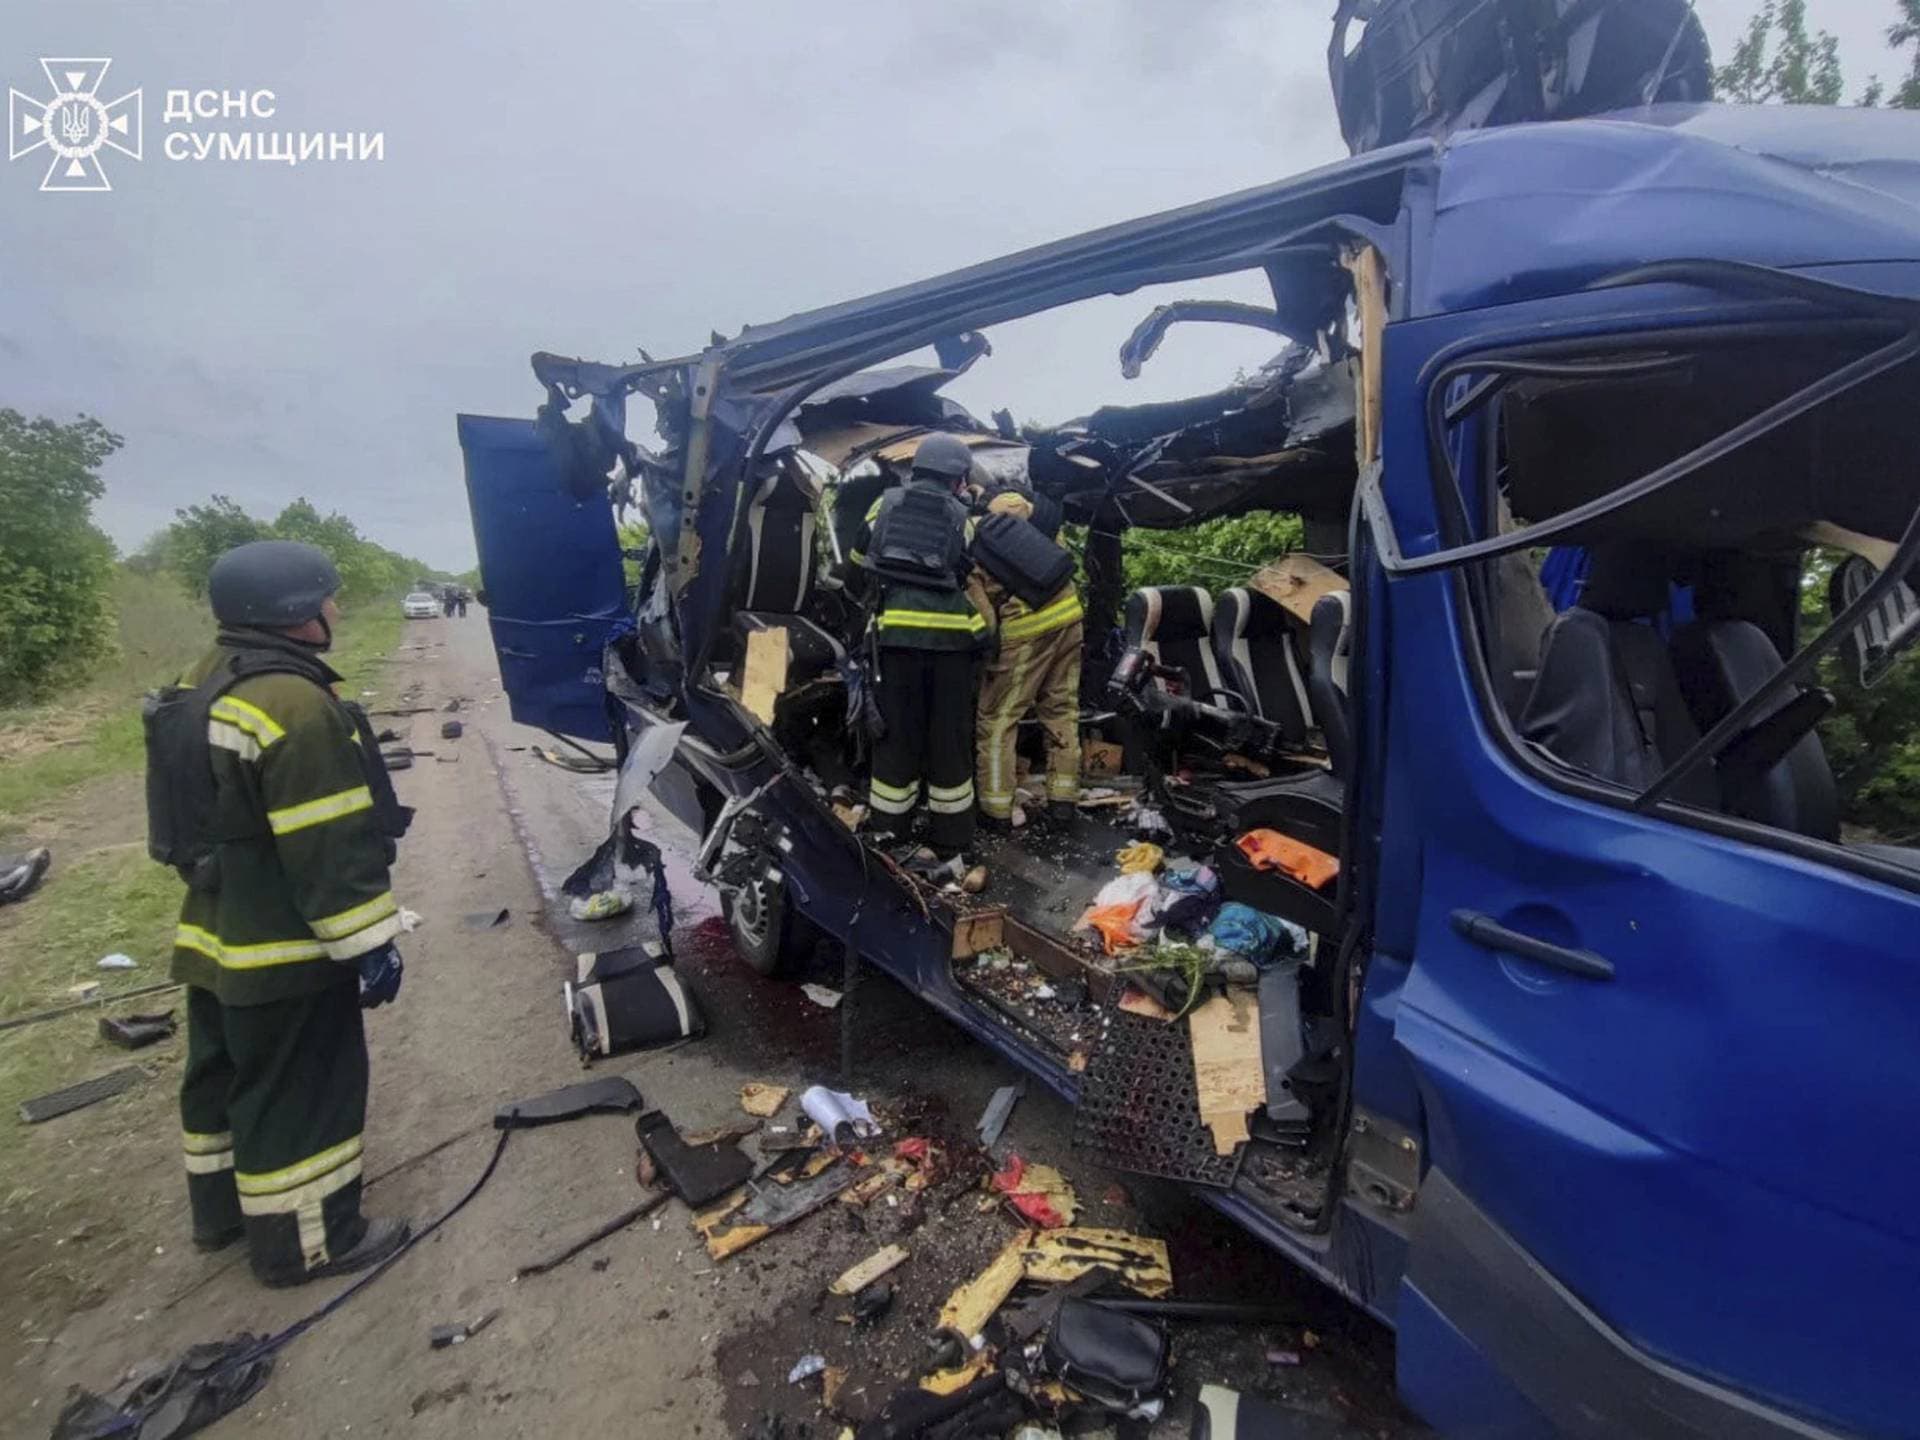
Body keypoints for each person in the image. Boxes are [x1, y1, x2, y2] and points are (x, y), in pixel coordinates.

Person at [153, 540, 412, 1287]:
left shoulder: (202, 680)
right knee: (300, 1086)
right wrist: (369, 942)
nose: (335, 608)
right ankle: (311, 1242)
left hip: (215, 930)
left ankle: (223, 1215)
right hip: (283, 944)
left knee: (222, 1074)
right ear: (295, 615)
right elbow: (326, 841)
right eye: (326, 598)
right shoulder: (293, 704)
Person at [852, 433, 987, 856]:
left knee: (896, 737)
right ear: (957, 476)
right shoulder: (961, 515)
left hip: (895, 641)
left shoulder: (883, 505)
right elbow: (966, 566)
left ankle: (891, 830)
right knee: (949, 738)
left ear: (919, 468)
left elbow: (858, 562)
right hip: (951, 645)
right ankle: (952, 838)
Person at [967, 489, 1084, 829]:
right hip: (1070, 614)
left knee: (998, 720)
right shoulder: (1028, 519)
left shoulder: (971, 543)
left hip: (1026, 629)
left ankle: (996, 811)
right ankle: (1063, 804)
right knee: (1062, 710)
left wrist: (986, 657)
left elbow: (986, 621)